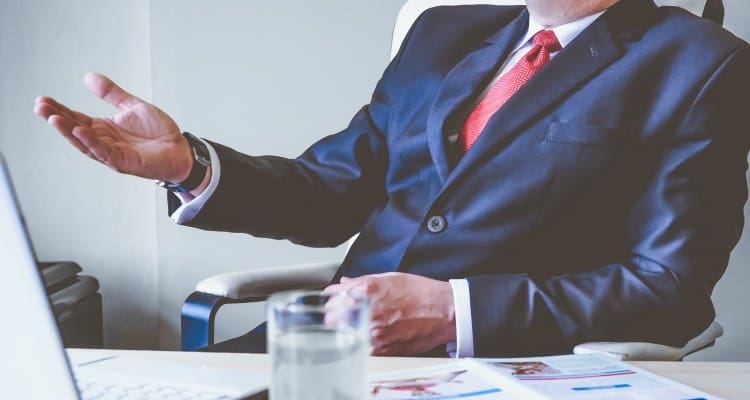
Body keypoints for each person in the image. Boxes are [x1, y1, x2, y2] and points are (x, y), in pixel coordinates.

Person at [34, 0, 750, 357]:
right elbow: (328, 192)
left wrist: (452, 312)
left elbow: (668, 285)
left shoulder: (701, 63)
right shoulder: (444, 30)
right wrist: (190, 164)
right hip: (327, 351)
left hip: (499, 369)